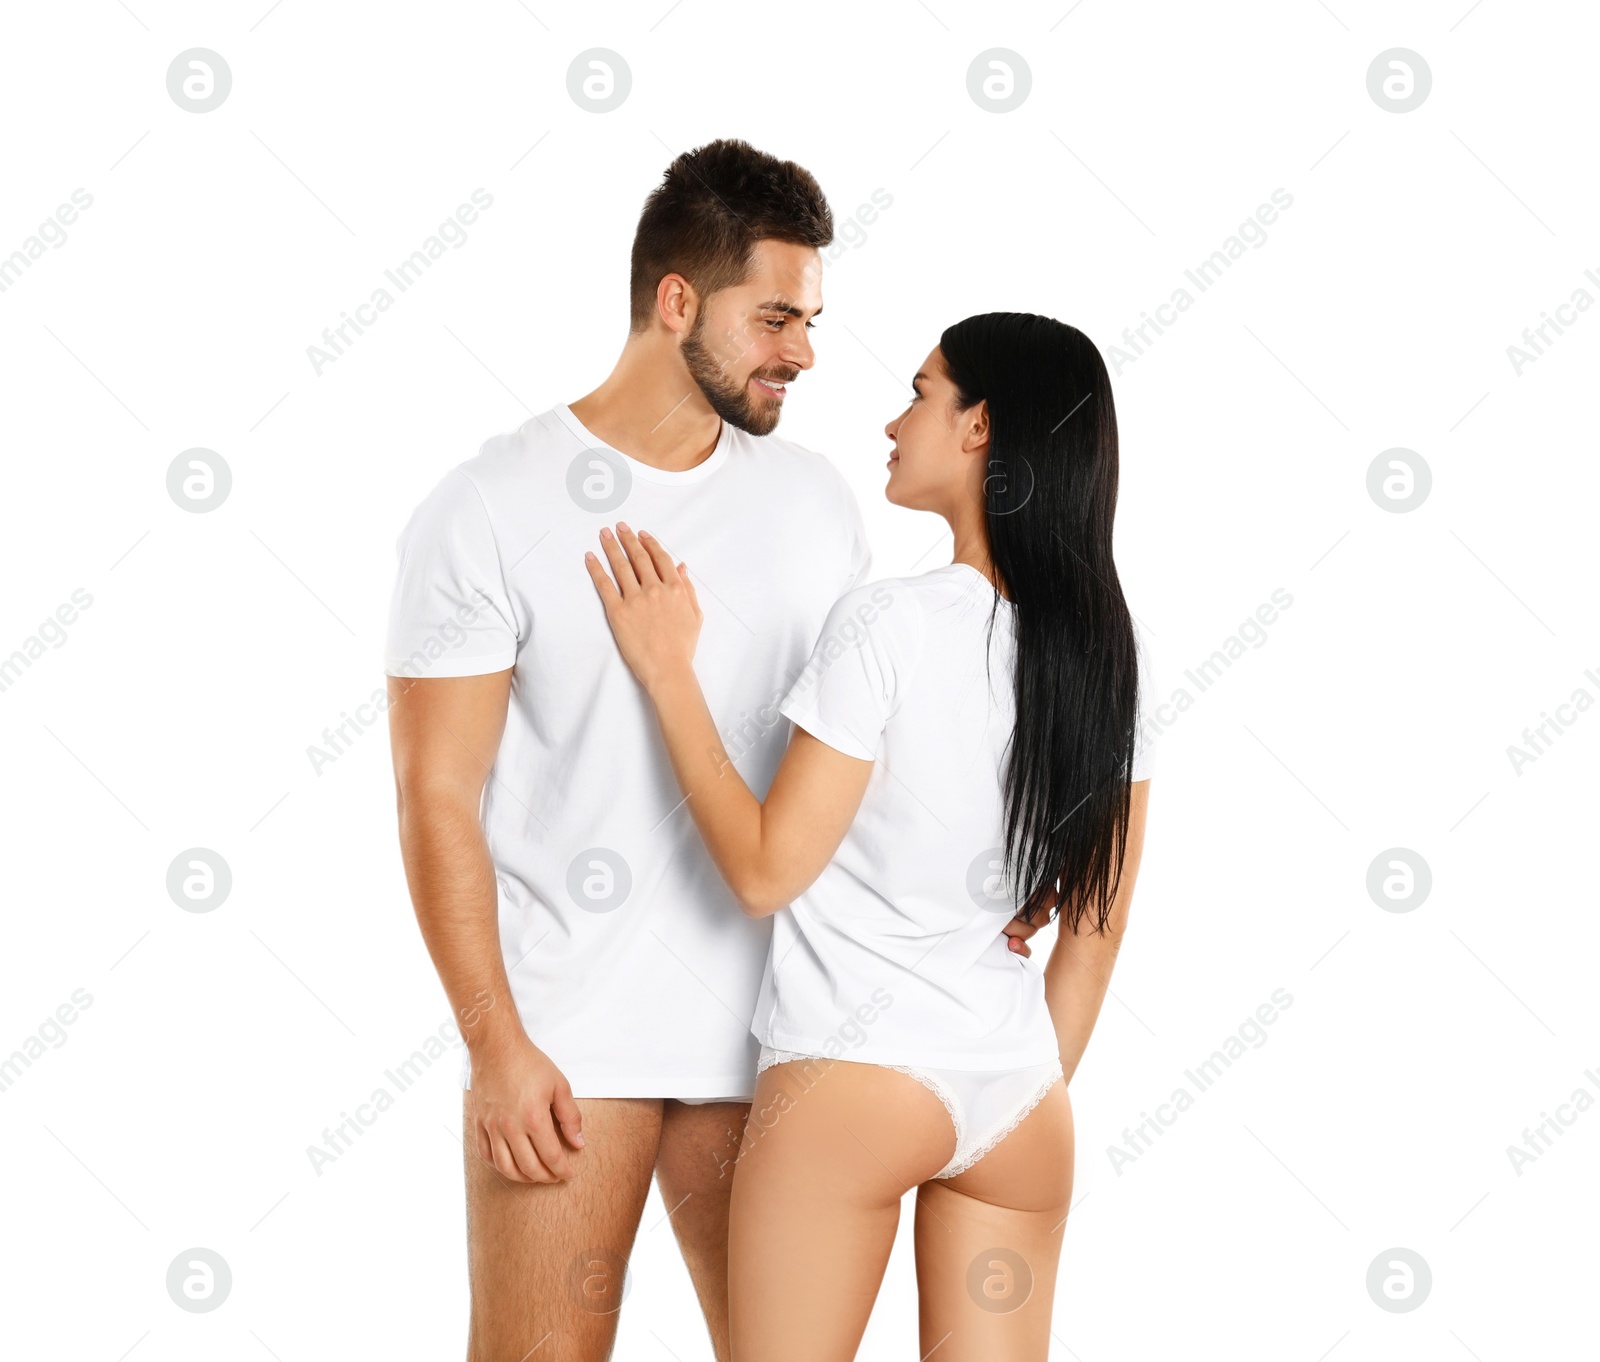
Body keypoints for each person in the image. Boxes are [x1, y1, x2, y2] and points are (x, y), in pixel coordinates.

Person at [383, 139, 879, 1362]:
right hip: (567, 1046)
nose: (803, 353)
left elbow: (861, 761)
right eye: (774, 317)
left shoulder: (814, 505)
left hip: (779, 1042)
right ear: (675, 304)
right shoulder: (489, 505)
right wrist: (494, 1043)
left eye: (811, 320)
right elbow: (434, 794)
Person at [585, 311, 1155, 1361]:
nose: (895, 422)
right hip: (1020, 1110)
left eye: (921, 393)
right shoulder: (1110, 657)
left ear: (980, 426)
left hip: (849, 1085)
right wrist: (1008, 1076)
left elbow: (763, 871)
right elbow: (1096, 924)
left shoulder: (891, 622)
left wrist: (669, 672)